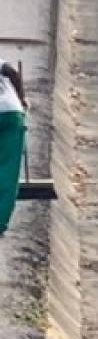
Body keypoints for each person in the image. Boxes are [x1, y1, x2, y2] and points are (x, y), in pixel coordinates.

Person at [0, 57, 26, 235]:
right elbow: (13, 73)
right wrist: (22, 99)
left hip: (10, 113)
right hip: (11, 113)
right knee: (8, 170)